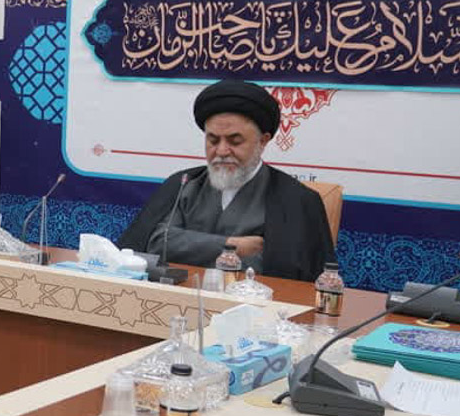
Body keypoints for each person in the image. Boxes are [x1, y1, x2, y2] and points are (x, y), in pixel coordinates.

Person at [117, 78, 336, 281]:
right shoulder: (183, 183)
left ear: (263, 141)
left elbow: (286, 271)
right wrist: (233, 246)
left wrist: (191, 246)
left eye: (235, 141)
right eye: (213, 140)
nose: (221, 151)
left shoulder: (297, 200)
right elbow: (156, 243)